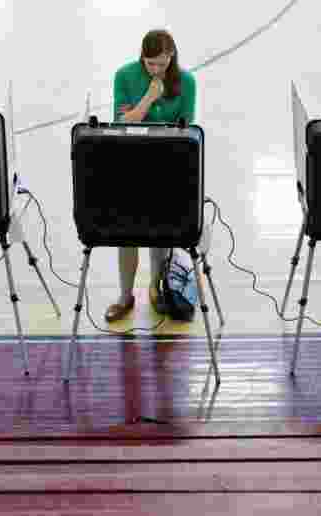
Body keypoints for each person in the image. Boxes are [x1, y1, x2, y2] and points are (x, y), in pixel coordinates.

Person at [105, 28, 197, 322]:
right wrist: (148, 98)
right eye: (150, 64)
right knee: (126, 235)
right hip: (129, 162)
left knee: (160, 234)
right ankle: (125, 296)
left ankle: (156, 289)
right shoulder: (124, 75)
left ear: (171, 56)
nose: (156, 69)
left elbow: (186, 128)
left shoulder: (187, 81)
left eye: (162, 63)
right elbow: (121, 121)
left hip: (167, 164)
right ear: (142, 58)